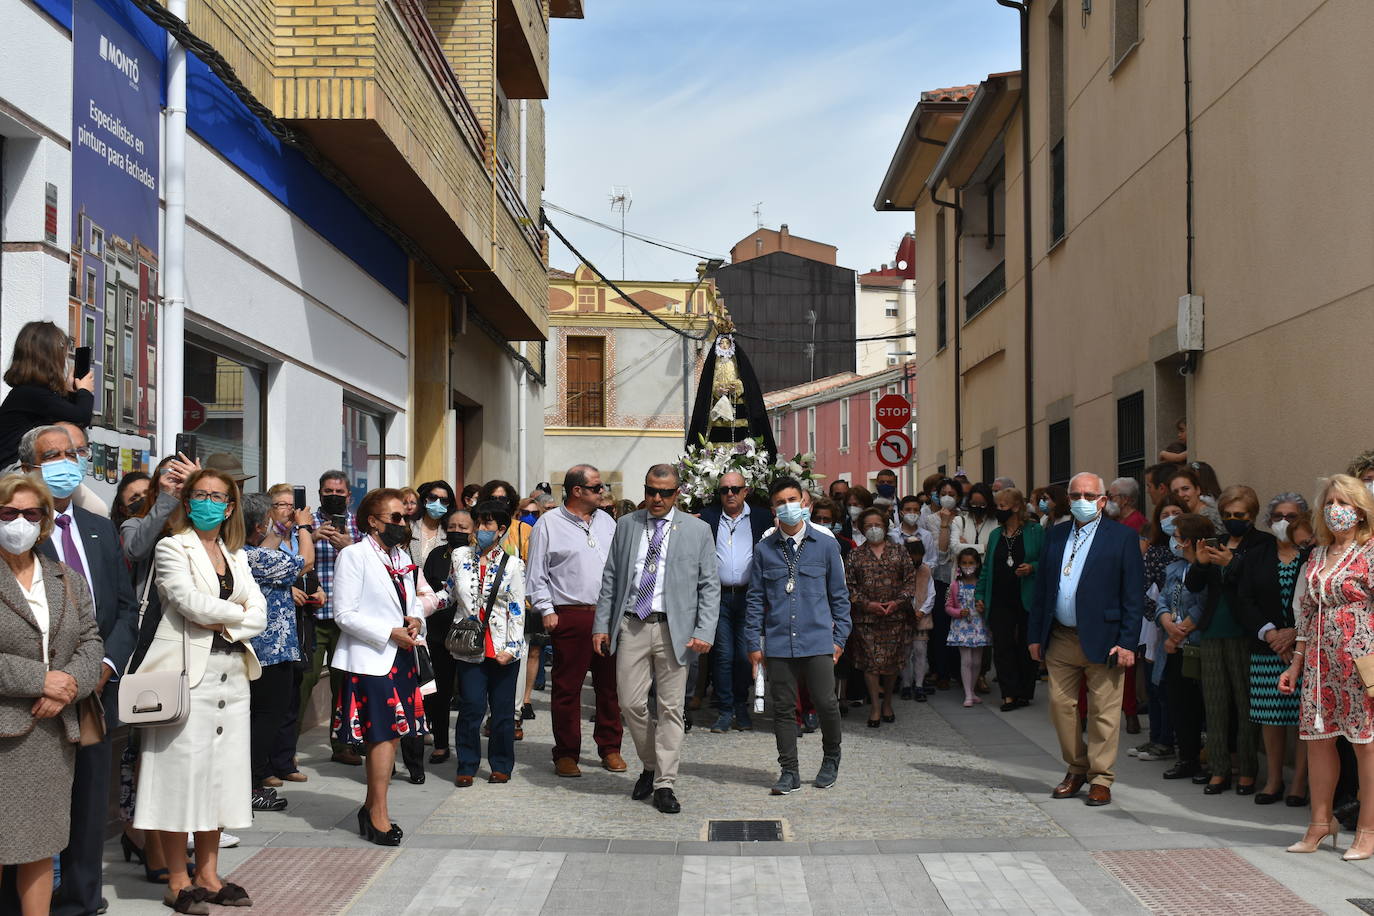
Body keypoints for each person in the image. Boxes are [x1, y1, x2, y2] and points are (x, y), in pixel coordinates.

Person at [15, 425, 137, 916]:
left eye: (75, 453)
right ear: (29, 467)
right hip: (35, 700)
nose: (68, 462)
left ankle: (83, 901)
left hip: (94, 692)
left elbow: (125, 610)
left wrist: (103, 666)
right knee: (31, 816)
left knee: (89, 809)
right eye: (54, 455)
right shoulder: (18, 530)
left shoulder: (97, 526)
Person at [134, 468, 266, 913]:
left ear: (230, 507)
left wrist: (226, 616)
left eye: (219, 496)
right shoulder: (172, 546)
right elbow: (186, 602)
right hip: (185, 675)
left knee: (220, 777)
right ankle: (177, 878)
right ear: (187, 501)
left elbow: (260, 615)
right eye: (201, 494)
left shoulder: (237, 555)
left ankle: (209, 873)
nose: (210, 502)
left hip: (231, 673)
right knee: (178, 778)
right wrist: (237, 613)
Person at [0, 472, 102, 916]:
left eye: (30, 513)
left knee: (41, 843)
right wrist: (39, 679)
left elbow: (91, 641)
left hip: (51, 733)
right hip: (4, 727)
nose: (19, 521)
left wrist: (69, 686)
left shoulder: (65, 578)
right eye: (8, 513)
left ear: (44, 521)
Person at [593, 465, 717, 814]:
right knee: (630, 704)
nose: (656, 498)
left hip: (674, 628)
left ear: (677, 493)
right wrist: (601, 625)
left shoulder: (697, 530)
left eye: (664, 492)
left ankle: (664, 782)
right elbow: (611, 578)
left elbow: (709, 584)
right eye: (650, 491)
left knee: (670, 708)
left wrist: (704, 630)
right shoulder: (627, 525)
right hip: (632, 624)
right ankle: (650, 763)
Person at [330, 488, 438, 846]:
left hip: (402, 656)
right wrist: (388, 632)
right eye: (395, 518)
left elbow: (414, 602)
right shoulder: (355, 556)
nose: (402, 523)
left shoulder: (399, 556)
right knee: (380, 736)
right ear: (373, 522)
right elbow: (344, 614)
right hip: (372, 657)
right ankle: (378, 814)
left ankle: (371, 807)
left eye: (404, 517)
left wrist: (415, 620)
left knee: (393, 735)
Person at [1028, 472, 1144, 808]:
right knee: (1060, 707)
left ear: (1103, 500)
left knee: (1104, 712)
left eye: (1090, 496)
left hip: (1105, 637)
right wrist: (1035, 634)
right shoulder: (1056, 535)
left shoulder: (1121, 537)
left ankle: (1101, 778)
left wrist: (1127, 641)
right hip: (1060, 636)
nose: (1083, 501)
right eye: (1076, 495)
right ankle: (1077, 767)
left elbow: (1133, 597)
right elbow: (1042, 590)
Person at [1278, 475, 1374, 859]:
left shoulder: (1371, 552)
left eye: (1346, 502)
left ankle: (1367, 829)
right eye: (1332, 502)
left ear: (1362, 509)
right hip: (1319, 664)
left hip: (1361, 661)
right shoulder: (1317, 554)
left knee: (1366, 747)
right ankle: (1320, 823)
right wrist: (1295, 665)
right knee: (1318, 743)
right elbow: (1307, 611)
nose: (1338, 510)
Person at [746, 477, 851, 795]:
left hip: (818, 638)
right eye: (781, 502)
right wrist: (753, 642)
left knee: (825, 702)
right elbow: (754, 599)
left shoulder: (827, 544)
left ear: (804, 503)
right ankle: (788, 770)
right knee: (782, 707)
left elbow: (840, 596)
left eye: (793, 499)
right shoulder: (765, 549)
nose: (788, 506)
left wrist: (840, 638)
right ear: (773, 508)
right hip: (778, 640)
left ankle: (831, 756)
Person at [524, 464, 623, 778]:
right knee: (567, 688)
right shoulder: (549, 525)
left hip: (606, 614)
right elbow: (536, 574)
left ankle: (610, 747)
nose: (602, 492)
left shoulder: (607, 521)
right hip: (570, 614)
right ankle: (566, 753)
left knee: (609, 686)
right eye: (596, 487)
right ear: (577, 490)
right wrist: (547, 610)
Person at [1187, 484, 1268, 796]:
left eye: (1240, 515)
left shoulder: (1262, 544)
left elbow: (1259, 585)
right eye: (1228, 514)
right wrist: (1201, 563)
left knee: (1246, 705)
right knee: (1216, 704)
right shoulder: (1214, 542)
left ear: (1252, 515)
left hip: (1244, 633)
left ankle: (1248, 770)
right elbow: (1195, 585)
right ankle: (1218, 770)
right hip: (1212, 631)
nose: (1233, 519)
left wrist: (1231, 564)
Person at [1235, 491, 1311, 806]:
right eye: (1278, 516)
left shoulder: (1313, 555)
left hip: (1304, 648)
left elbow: (1313, 601)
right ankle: (1274, 779)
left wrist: (1294, 635)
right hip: (1267, 648)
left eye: (1291, 517)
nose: (1284, 522)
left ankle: (1300, 783)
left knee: (1304, 719)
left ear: (1303, 521)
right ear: (1268, 521)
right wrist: (1271, 635)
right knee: (1271, 717)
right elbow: (1245, 600)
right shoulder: (1257, 554)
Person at [239, 493, 310, 810]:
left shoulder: (247, 552)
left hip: (263, 651)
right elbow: (304, 562)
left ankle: (250, 783)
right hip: (270, 652)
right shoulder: (255, 558)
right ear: (256, 526)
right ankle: (249, 786)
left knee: (259, 720)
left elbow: (269, 545)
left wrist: (284, 527)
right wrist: (304, 529)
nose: (272, 524)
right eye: (268, 519)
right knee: (265, 721)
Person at [450, 500, 526, 786]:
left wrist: (512, 648)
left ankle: (501, 764)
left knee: (502, 711)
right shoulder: (459, 556)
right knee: (471, 706)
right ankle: (466, 765)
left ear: (501, 529)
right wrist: (421, 606)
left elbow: (517, 609)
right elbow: (449, 594)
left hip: (501, 646)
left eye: (488, 524)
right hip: (469, 644)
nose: (481, 529)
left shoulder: (514, 565)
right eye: (478, 523)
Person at [699, 471, 772, 733]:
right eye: (724, 490)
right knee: (722, 655)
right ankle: (725, 709)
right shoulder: (707, 517)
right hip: (717, 596)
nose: (729, 494)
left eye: (735, 489)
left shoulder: (762, 518)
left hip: (749, 596)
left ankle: (742, 705)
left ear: (745, 491)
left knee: (745, 656)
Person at [301, 470, 364, 767]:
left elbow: (374, 563)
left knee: (345, 684)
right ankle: (285, 748)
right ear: (319, 493)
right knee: (305, 679)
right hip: (312, 615)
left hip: (347, 618)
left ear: (349, 495)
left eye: (340, 492)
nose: (334, 496)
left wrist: (350, 548)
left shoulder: (361, 526)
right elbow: (292, 559)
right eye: (329, 492)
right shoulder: (305, 523)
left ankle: (343, 745)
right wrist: (310, 537)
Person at [846, 507, 918, 725]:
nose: (874, 529)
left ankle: (887, 702)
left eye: (878, 525)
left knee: (890, 664)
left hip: (895, 618)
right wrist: (868, 605)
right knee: (870, 663)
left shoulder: (899, 551)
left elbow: (910, 580)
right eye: (869, 525)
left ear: (886, 527)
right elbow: (849, 586)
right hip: (866, 619)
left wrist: (897, 602)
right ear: (861, 528)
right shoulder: (855, 554)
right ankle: (875, 708)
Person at [1154, 513, 1211, 783]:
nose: (1173, 542)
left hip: (1197, 645)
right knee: (1179, 704)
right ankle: (1185, 758)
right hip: (1174, 645)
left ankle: (1209, 759)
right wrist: (1167, 622)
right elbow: (1163, 599)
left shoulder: (1206, 568)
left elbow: (1204, 605)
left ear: (1188, 541)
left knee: (1203, 704)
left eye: (1176, 537)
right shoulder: (1174, 568)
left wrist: (1180, 632)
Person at [976, 487, 1043, 712]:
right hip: (1000, 598)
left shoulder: (1034, 531)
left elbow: (1048, 562)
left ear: (1016, 507)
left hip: (1026, 597)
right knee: (1002, 646)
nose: (998, 510)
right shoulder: (996, 535)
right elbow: (987, 568)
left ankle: (1024, 691)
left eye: (1002, 506)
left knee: (1026, 645)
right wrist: (979, 594)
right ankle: (1009, 693)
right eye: (997, 506)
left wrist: (1032, 567)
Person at [0, 322, 95, 471]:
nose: (64, 360)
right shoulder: (31, 394)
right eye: (62, 353)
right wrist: (85, 391)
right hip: (11, 471)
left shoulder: (31, 394)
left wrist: (70, 391)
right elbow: (81, 417)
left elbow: (68, 418)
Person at [1135, 496, 1183, 763]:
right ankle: (1156, 737)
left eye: (1177, 512)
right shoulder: (1155, 551)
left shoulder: (1190, 552)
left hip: (1185, 629)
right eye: (1166, 513)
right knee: (1155, 684)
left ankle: (1168, 738)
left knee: (1170, 688)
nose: (1171, 517)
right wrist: (1161, 620)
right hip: (1157, 627)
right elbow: (1144, 589)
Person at [421, 507, 470, 764]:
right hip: (439, 634)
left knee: (470, 694)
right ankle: (440, 743)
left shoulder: (476, 557)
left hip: (470, 636)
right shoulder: (436, 555)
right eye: (452, 527)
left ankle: (467, 746)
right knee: (438, 692)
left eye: (463, 527)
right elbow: (427, 590)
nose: (457, 531)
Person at [946, 548, 990, 707]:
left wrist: (983, 608)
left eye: (971, 563)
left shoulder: (982, 585)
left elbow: (988, 603)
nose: (967, 566)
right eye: (964, 563)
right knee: (967, 660)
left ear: (977, 564)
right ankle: (967, 694)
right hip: (961, 627)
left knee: (977, 661)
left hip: (979, 626)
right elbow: (948, 606)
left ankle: (972, 690)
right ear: (959, 565)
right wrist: (958, 612)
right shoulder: (954, 585)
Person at [898, 538, 935, 702]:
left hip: (921, 618)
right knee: (904, 653)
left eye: (917, 556)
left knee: (921, 652)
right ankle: (906, 684)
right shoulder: (898, 571)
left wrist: (922, 611)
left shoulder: (926, 570)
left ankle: (919, 685)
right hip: (903, 618)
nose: (914, 559)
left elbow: (931, 594)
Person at [411, 480, 454, 570]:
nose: (437, 503)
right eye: (433, 497)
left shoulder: (450, 534)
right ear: (424, 500)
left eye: (444, 500)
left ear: (449, 505)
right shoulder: (410, 527)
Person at [1170, 465, 1224, 535]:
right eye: (1175, 492)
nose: (1180, 495)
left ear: (1198, 490)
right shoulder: (1181, 517)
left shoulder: (1210, 517)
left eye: (1185, 489)